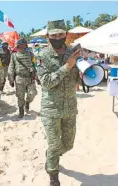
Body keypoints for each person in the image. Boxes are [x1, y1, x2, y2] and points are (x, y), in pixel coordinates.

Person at [36, 20, 80, 186]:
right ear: (48, 37)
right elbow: (46, 82)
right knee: (54, 144)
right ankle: (53, 175)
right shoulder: (42, 56)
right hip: (51, 108)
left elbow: (76, 75)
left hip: (70, 107)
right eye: (53, 35)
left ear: (66, 35)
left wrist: (81, 75)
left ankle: (51, 156)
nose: (57, 37)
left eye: (60, 34)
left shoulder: (73, 53)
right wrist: (67, 67)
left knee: (68, 145)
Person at [8, 38, 37, 118]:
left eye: (24, 44)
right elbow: (11, 67)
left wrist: (36, 74)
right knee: (20, 96)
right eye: (22, 44)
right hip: (19, 78)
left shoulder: (31, 54)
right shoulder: (14, 55)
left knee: (32, 93)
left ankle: (27, 102)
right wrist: (11, 79)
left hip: (30, 78)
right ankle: (21, 111)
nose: (23, 45)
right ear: (18, 45)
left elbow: (35, 65)